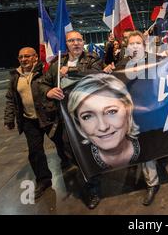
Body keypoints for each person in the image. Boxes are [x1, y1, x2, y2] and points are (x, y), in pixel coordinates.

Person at [40, 30, 104, 209]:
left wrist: (72, 70)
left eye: (78, 40)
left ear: (83, 42)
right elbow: (43, 83)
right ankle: (87, 178)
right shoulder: (56, 63)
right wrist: (48, 91)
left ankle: (93, 189)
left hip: (90, 117)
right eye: (71, 41)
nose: (76, 43)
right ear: (66, 44)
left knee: (90, 152)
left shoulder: (92, 58)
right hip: (66, 120)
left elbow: (97, 74)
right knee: (72, 154)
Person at [103, 31, 162, 206]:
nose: (135, 46)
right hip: (134, 117)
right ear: (126, 47)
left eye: (138, 43)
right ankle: (153, 183)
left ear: (144, 46)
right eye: (132, 43)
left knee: (158, 146)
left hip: (157, 113)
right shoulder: (121, 65)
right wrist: (107, 71)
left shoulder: (156, 59)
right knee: (145, 151)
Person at [4, 47, 70, 199]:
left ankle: (68, 164)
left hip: (49, 116)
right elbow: (10, 99)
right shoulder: (15, 76)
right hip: (29, 120)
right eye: (20, 57)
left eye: (27, 56)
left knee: (62, 143)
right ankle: (43, 180)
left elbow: (58, 86)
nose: (23, 59)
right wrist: (9, 118)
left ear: (35, 57)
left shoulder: (45, 71)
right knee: (35, 152)